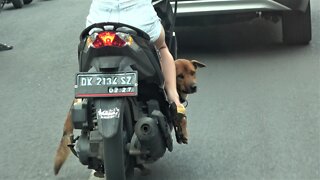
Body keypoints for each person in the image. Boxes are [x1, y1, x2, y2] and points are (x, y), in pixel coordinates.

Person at [86, 0, 188, 143]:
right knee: (162, 48)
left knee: (87, 50)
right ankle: (174, 100)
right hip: (138, 22)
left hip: (98, 22)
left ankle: (83, 96)